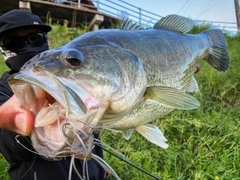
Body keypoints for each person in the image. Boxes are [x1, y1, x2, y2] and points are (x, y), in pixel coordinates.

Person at [0, 9, 105, 180]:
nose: (27, 45)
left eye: (35, 38)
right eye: (13, 42)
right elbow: (7, 145)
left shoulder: (75, 72)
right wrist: (24, 124)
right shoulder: (2, 90)